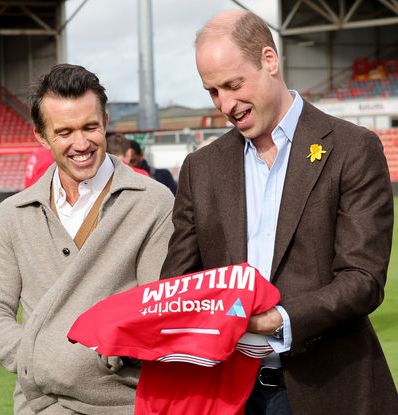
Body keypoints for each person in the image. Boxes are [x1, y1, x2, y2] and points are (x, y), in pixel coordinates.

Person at [160, 10, 398, 415]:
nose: (226, 104)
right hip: (228, 394)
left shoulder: (352, 148)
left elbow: (363, 280)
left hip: (326, 389)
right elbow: (178, 282)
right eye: (213, 91)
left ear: (269, 60)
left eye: (234, 85)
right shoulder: (201, 168)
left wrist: (275, 320)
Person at [0, 64, 174, 414]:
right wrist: (41, 360)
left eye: (90, 127)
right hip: (41, 406)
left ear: (106, 119)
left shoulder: (153, 202)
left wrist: (93, 362)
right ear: (41, 136)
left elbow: (158, 313)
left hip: (126, 405)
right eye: (65, 132)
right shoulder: (12, 215)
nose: (81, 144)